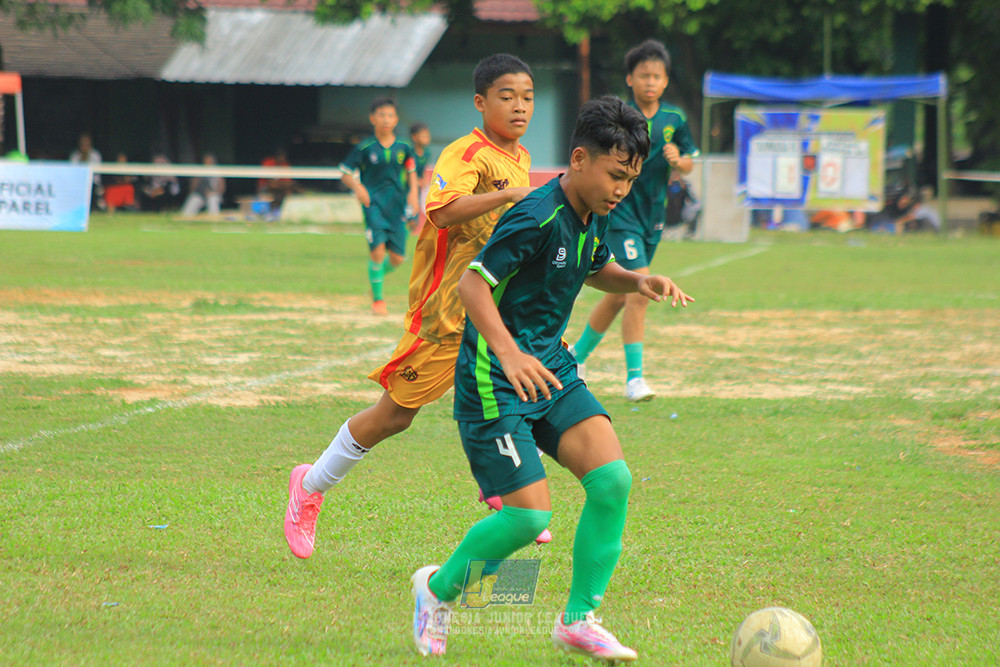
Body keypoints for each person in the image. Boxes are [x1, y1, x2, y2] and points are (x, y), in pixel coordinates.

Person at [409, 96, 694, 661]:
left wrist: (637, 280)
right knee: (527, 516)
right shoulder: (534, 213)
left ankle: (580, 618)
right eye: (615, 175)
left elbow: (594, 267)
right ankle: (435, 591)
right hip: (495, 377)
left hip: (551, 369)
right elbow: (472, 284)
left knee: (613, 482)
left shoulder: (596, 210)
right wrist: (510, 354)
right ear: (580, 159)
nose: (621, 190)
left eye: (631, 179)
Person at [283, 54, 536, 560]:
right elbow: (441, 211)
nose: (520, 107)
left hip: (487, 303)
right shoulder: (466, 154)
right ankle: (310, 485)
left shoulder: (518, 158)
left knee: (522, 384)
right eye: (507, 97)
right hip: (445, 307)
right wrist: (507, 197)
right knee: (396, 416)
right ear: (481, 102)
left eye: (527, 97)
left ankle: (501, 488)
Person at [569, 39, 699, 402]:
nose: (650, 82)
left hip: (651, 217)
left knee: (620, 293)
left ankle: (575, 357)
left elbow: (690, 160)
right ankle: (635, 380)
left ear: (666, 80)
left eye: (657, 76)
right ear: (630, 78)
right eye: (643, 75)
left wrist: (679, 161)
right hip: (620, 212)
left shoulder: (675, 119)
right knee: (642, 289)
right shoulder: (620, 118)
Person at [339, 98, 420, 315]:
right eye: (381, 115)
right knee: (377, 252)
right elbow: (345, 173)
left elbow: (412, 174)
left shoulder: (404, 147)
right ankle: (378, 300)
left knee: (398, 258)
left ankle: (376, 279)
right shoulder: (365, 147)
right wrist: (358, 188)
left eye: (390, 115)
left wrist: (413, 196)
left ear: (396, 119)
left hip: (397, 205)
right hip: (373, 204)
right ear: (372, 118)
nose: (386, 119)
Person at [259, 147, 299, 217]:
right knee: (274, 191)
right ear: (276, 157)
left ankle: (281, 212)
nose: (283, 159)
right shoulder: (268, 163)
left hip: (280, 187)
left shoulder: (285, 164)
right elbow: (270, 183)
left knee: (290, 190)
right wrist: (281, 184)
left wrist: (285, 185)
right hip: (265, 187)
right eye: (281, 157)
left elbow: (289, 182)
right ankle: (269, 213)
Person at [69, 132, 105, 211]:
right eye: (82, 144)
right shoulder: (75, 155)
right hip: (77, 183)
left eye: (87, 144)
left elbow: (96, 171)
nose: (84, 146)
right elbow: (73, 172)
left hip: (93, 183)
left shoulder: (95, 155)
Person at [410, 122, 434, 231]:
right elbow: (406, 171)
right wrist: (415, 182)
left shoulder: (427, 153)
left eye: (427, 136)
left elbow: (424, 169)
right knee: (408, 217)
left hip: (417, 188)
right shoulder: (409, 152)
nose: (427, 138)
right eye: (424, 136)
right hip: (407, 188)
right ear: (415, 137)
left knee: (414, 218)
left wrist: (424, 181)